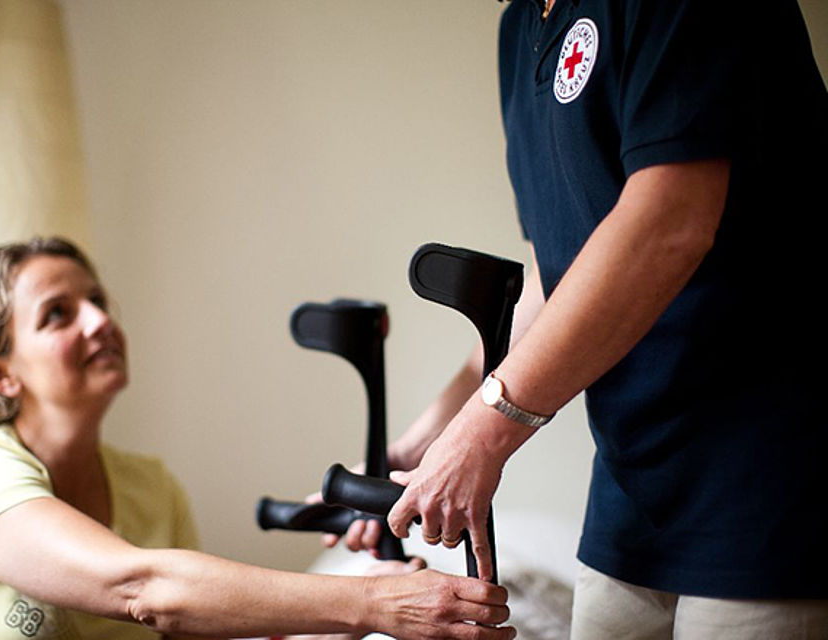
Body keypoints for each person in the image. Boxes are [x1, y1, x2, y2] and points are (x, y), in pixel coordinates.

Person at [339, 1, 828, 638]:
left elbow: (669, 222)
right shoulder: (520, 30)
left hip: (768, 471)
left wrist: (485, 436)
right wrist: (426, 443)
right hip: (634, 484)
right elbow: (556, 279)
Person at [0, 236, 513, 639]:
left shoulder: (151, 488)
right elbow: (141, 589)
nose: (100, 320)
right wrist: (373, 602)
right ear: (0, 373)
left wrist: (345, 626)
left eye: (97, 300)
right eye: (58, 314)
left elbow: (192, 627)